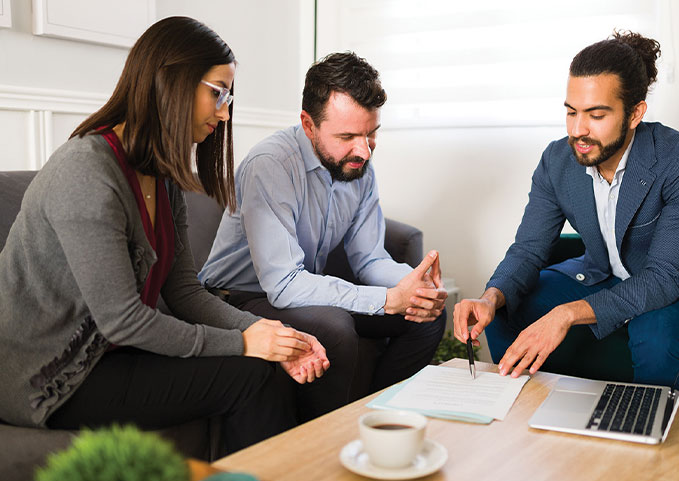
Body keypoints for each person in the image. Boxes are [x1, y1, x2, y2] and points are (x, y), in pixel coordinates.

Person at [0, 16, 329, 456]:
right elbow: (124, 320)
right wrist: (245, 343)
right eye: (217, 92)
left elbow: (185, 292)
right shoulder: (86, 173)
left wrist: (268, 333)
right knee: (249, 374)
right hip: (51, 378)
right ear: (169, 82)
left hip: (110, 354)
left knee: (260, 363)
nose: (225, 111)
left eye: (229, 96)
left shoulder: (162, 173)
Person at [453, 31, 679, 387]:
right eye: (571, 112)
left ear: (634, 114)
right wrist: (490, 298)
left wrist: (567, 314)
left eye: (596, 115)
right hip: (599, 274)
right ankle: (527, 420)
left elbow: (666, 277)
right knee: (508, 307)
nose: (578, 130)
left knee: (656, 341)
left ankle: (640, 438)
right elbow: (529, 248)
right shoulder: (557, 161)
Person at [198, 52, 447, 418]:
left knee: (425, 314)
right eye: (347, 136)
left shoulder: (358, 167)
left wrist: (412, 286)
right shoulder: (271, 165)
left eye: (371, 134)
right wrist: (386, 300)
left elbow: (369, 259)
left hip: (301, 289)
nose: (363, 150)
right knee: (335, 329)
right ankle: (323, 442)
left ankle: (377, 417)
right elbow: (283, 285)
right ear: (308, 124)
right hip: (239, 297)